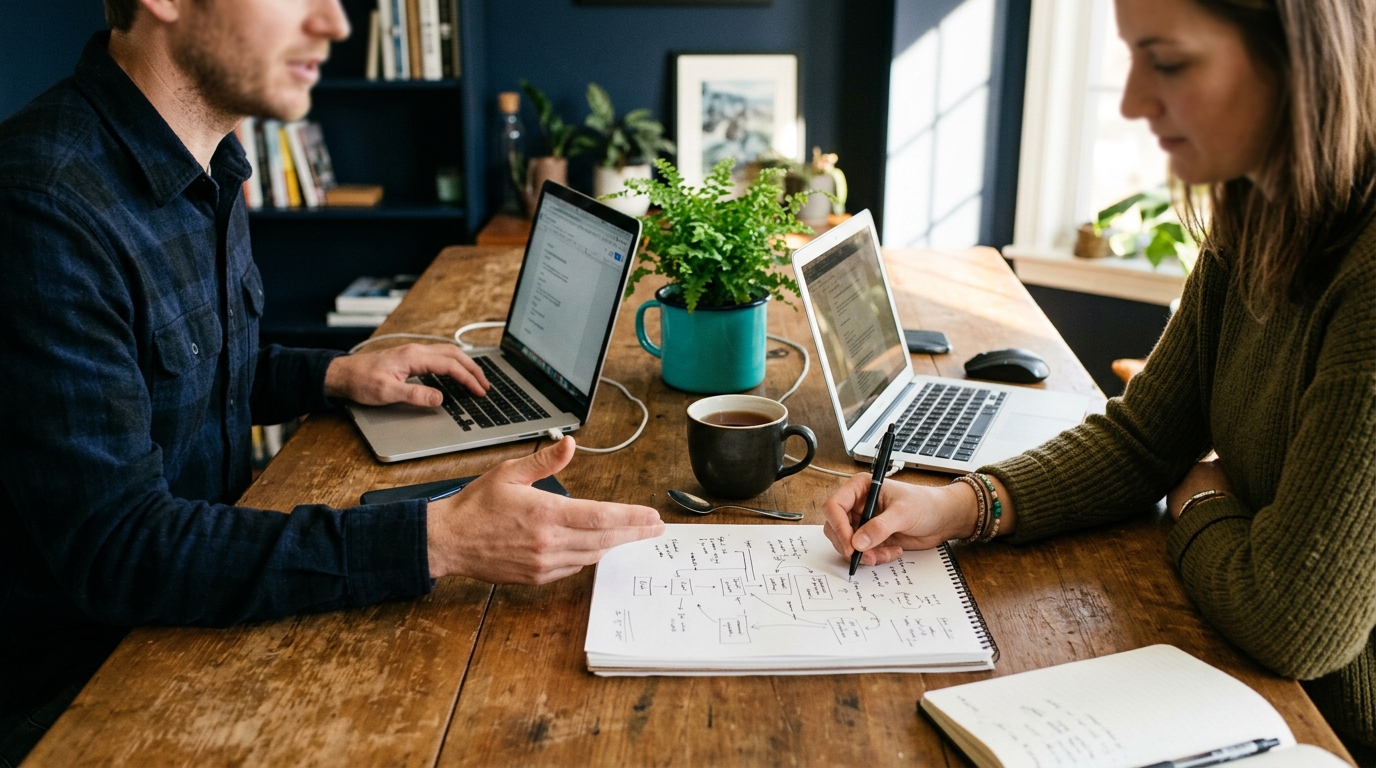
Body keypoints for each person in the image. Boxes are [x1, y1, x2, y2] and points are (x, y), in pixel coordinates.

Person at [0, 0, 664, 762]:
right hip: (80, 693)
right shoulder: (43, 206)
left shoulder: (208, 162)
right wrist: (437, 540)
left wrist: (336, 375)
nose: (337, 23)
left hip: (193, 610)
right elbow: (120, 549)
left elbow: (187, 374)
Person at [824, 0, 1376, 754]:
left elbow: (1295, 619)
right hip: (1241, 690)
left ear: (1298, 59)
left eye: (1170, 62)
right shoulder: (1255, 213)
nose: (1131, 103)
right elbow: (1147, 437)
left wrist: (1196, 502)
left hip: (1331, 731)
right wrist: (957, 507)